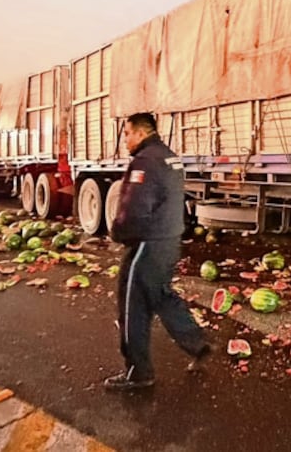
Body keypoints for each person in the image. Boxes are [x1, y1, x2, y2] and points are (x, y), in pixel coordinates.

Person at [104, 112, 210, 391]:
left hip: (147, 244)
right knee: (161, 295)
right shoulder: (168, 156)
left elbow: (134, 208)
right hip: (169, 239)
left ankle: (138, 372)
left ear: (140, 133)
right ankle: (197, 343)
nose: (125, 140)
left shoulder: (144, 162)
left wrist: (119, 233)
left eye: (127, 133)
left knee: (132, 305)